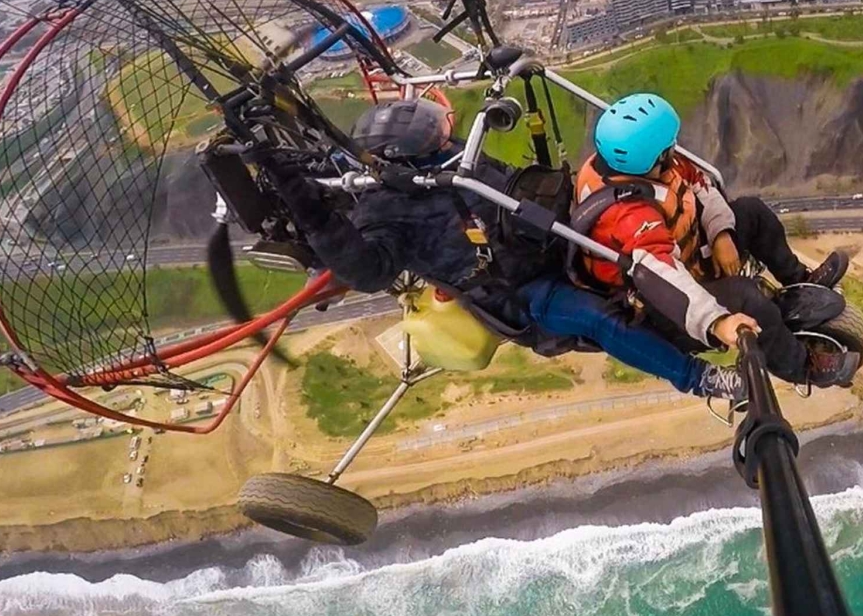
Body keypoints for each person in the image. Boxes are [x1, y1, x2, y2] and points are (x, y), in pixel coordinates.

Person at [261, 97, 746, 401]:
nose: (443, 137)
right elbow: (366, 270)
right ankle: (700, 380)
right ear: (404, 160)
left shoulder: (451, 159)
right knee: (601, 319)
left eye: (439, 130)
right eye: (434, 135)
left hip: (548, 236)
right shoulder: (388, 215)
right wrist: (308, 208)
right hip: (520, 288)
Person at [572, 92, 859, 388]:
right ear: (653, 155)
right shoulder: (628, 216)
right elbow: (660, 276)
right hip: (663, 304)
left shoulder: (645, 165)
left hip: (688, 255)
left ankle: (799, 280)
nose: (675, 148)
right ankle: (803, 367)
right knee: (748, 298)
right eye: (669, 146)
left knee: (752, 211)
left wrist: (722, 234)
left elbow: (699, 184)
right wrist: (717, 322)